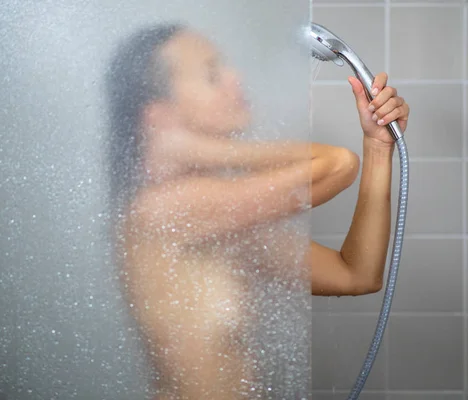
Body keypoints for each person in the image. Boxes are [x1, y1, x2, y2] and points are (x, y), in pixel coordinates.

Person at [106, 23, 409, 400]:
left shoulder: (225, 220)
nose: (235, 77)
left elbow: (357, 275)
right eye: (213, 74)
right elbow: (337, 165)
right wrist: (193, 148)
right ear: (159, 116)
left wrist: (378, 148)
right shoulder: (162, 211)